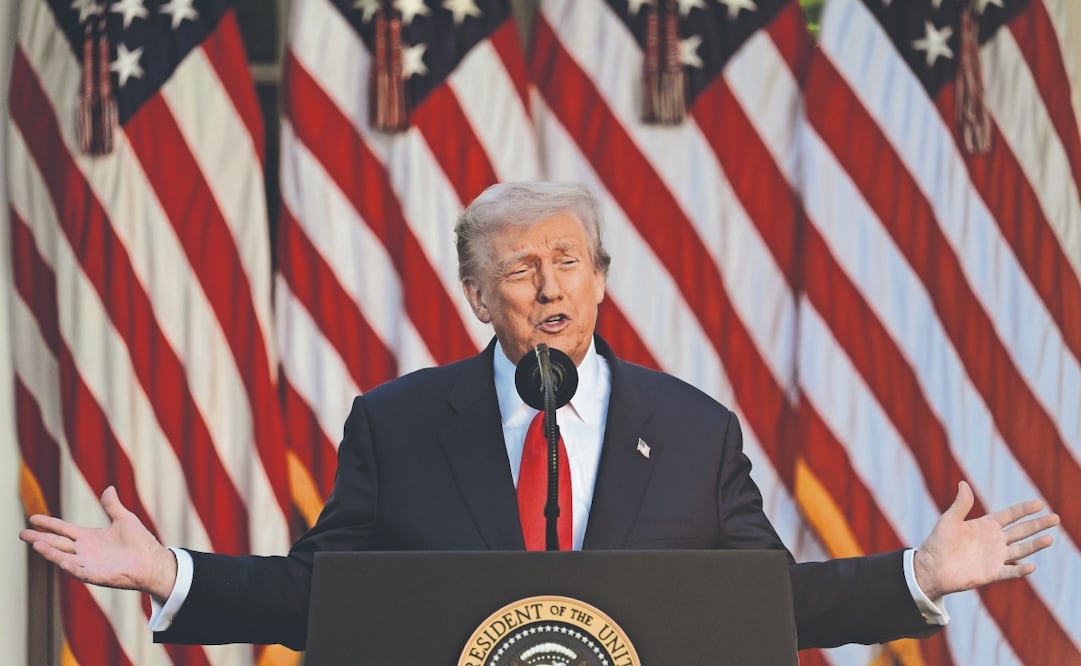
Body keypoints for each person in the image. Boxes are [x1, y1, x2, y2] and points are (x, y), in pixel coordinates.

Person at [21, 182, 1060, 652]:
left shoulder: (692, 428)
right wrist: (172, 574)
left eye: (568, 262)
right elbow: (320, 599)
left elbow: (760, 607)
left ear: (602, 282)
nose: (547, 287)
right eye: (519, 271)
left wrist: (916, 578)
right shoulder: (398, 421)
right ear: (480, 297)